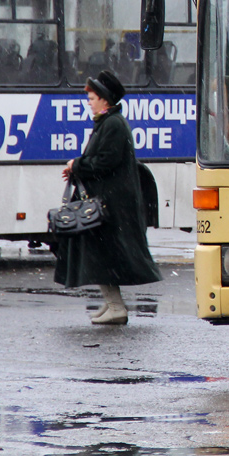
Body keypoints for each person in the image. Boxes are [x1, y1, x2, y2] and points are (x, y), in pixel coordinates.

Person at [54, 69, 161, 325]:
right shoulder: (108, 122)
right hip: (108, 201)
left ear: (104, 99)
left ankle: (116, 307)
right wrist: (77, 167)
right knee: (103, 255)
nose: (89, 103)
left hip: (111, 204)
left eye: (92, 98)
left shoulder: (113, 124)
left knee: (103, 255)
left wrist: (77, 165)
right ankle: (112, 303)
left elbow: (105, 161)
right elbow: (101, 159)